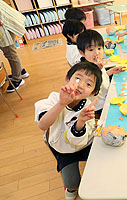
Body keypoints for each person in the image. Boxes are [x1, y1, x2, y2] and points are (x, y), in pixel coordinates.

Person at [35, 61, 103, 200]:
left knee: (102, 164)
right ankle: (70, 189)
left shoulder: (88, 108)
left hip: (84, 144)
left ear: (94, 92)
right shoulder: (54, 99)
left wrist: (81, 122)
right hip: (63, 149)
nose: (80, 85)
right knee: (72, 183)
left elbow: (77, 141)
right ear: (67, 78)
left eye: (88, 84)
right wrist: (61, 103)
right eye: (77, 78)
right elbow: (42, 125)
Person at [77, 30, 123, 120]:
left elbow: (103, 76)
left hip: (108, 96)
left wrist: (110, 71)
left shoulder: (95, 63)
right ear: (82, 52)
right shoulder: (85, 72)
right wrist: (98, 70)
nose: (96, 53)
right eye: (91, 50)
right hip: (100, 107)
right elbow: (96, 88)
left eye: (99, 48)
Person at [0, 0, 29, 93]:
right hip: (9, 21)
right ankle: (21, 71)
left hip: (4, 26)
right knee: (12, 51)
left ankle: (18, 79)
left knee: (10, 53)